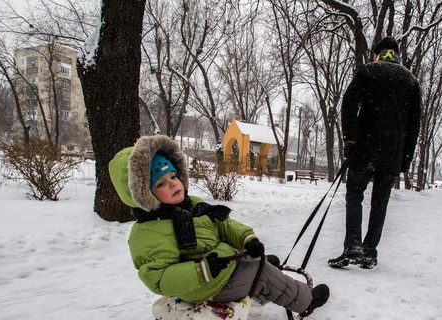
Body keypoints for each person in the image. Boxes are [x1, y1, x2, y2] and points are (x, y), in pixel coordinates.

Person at [108, 135, 329, 317]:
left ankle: (258, 274)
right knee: (261, 272)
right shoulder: (147, 233)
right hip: (203, 287)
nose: (173, 183)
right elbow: (159, 278)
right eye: (161, 183)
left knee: (253, 260)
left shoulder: (191, 206)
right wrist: (201, 271)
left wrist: (246, 239)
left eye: (173, 175)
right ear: (143, 195)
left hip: (219, 268)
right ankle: (305, 300)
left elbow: (222, 225)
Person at [329, 36, 421, 269]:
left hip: (364, 148)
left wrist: (350, 138)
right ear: (397, 54)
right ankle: (369, 253)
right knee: (380, 202)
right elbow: (414, 125)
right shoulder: (410, 81)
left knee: (355, 195)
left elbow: (349, 101)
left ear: (376, 54)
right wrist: (405, 159)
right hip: (392, 153)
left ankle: (352, 246)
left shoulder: (369, 71)